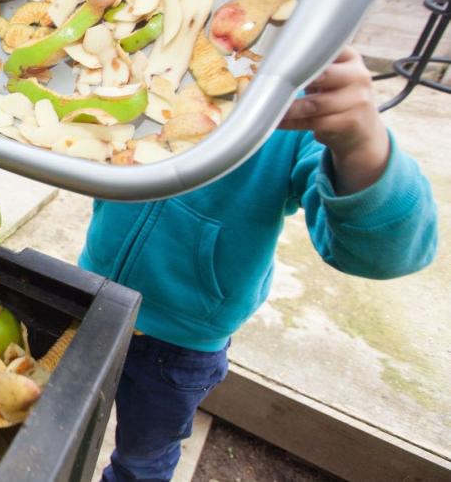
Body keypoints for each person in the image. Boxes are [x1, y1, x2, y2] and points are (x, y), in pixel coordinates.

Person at [79, 45, 439, 482]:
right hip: (93, 300)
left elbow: (387, 252)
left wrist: (361, 143)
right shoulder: (147, 50)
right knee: (70, 422)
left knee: (143, 460)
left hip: (180, 347)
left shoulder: (294, 98)